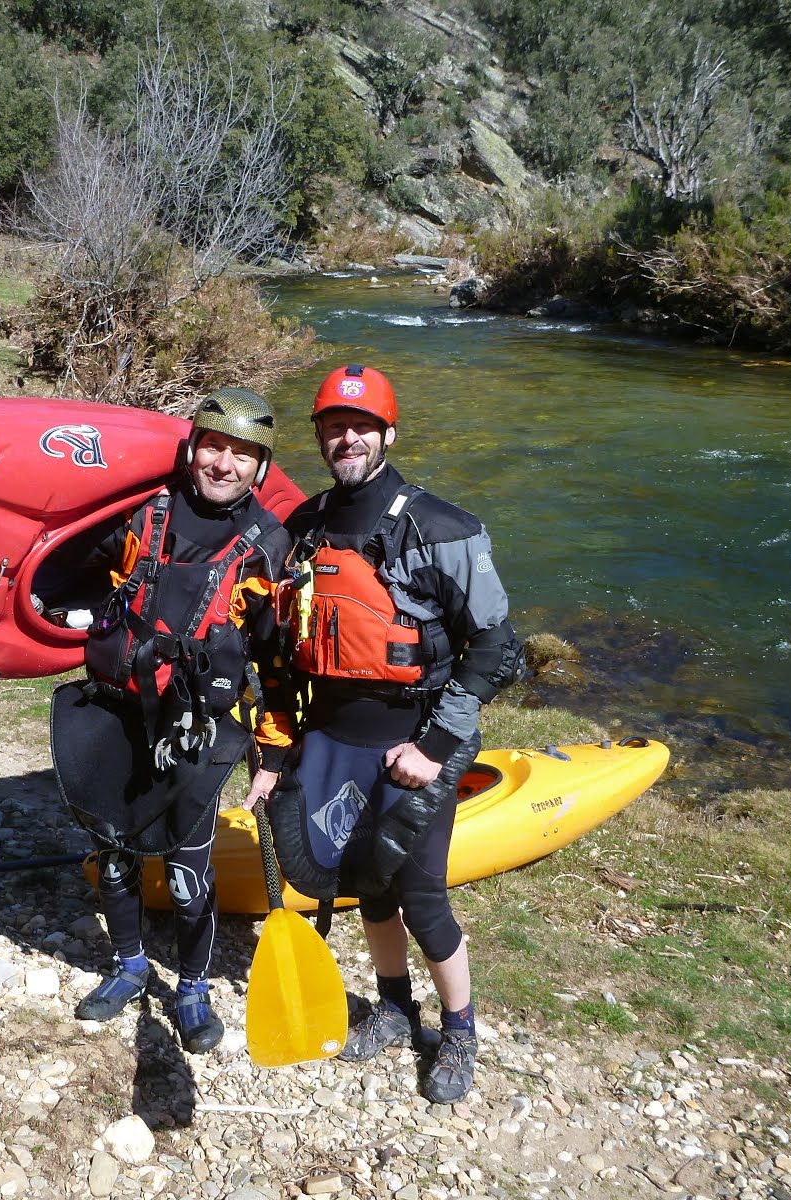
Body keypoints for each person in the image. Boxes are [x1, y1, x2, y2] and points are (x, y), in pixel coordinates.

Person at [264, 363, 523, 1103]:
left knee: (420, 894)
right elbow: (282, 642)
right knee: (366, 888)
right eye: (334, 426)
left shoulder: (443, 529)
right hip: (333, 740)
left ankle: (460, 1030)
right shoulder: (304, 527)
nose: (347, 438)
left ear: (388, 434)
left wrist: (436, 748)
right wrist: (279, 742)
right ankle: (394, 1008)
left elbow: (496, 647)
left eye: (361, 426)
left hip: (415, 742)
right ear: (319, 436)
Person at [52, 387, 294, 1053]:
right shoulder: (140, 513)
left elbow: (275, 661)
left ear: (261, 470)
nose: (225, 464)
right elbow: (67, 569)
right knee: (117, 855)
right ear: (192, 449)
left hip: (195, 731)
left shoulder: (268, 547)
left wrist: (271, 756)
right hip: (117, 713)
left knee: (189, 877)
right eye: (215, 446)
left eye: (243, 455)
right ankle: (128, 966)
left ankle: (192, 987)